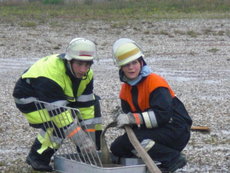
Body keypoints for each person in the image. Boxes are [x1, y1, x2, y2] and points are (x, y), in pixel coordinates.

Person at [13, 38, 102, 172]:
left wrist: (91, 140)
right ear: (69, 60)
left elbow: (86, 105)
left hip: (60, 96)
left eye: (88, 64)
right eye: (79, 64)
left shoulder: (87, 74)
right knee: (61, 121)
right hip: (29, 99)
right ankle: (38, 157)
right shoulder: (50, 75)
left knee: (94, 104)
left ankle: (86, 154)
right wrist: (82, 141)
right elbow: (59, 114)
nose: (84, 70)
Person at [110, 38, 192, 172]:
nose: (131, 67)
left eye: (134, 62)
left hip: (175, 129)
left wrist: (132, 118)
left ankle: (172, 158)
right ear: (121, 68)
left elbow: (162, 116)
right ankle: (151, 160)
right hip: (156, 130)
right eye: (126, 64)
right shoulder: (125, 90)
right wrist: (122, 119)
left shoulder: (155, 82)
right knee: (117, 147)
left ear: (141, 62)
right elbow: (132, 125)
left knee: (134, 141)